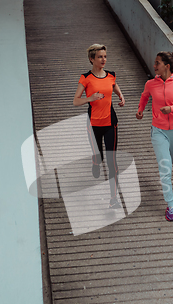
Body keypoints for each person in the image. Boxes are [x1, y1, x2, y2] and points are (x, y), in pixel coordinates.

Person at [136, 34, 173, 221]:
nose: (154, 66)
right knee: (165, 169)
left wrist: (172, 109)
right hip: (158, 131)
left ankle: (169, 166)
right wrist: (140, 110)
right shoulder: (151, 84)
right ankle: (170, 205)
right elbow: (145, 96)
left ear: (167, 66)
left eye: (157, 63)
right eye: (154, 63)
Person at [73, 44, 125, 209]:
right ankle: (96, 162)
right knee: (99, 156)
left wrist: (121, 96)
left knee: (112, 162)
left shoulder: (110, 75)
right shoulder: (86, 78)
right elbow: (76, 101)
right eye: (100, 57)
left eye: (105, 56)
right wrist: (91, 98)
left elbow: (114, 85)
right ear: (92, 59)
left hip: (111, 123)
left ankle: (113, 199)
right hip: (93, 124)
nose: (104, 59)